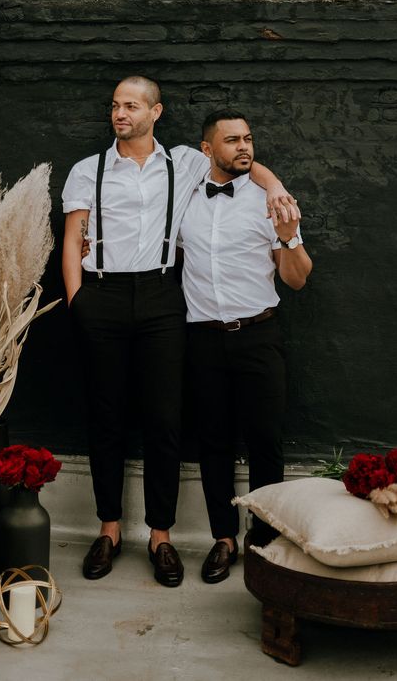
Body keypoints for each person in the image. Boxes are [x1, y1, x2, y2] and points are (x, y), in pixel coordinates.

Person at [62, 77, 298, 587]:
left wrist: (274, 185)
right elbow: (72, 236)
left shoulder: (187, 163)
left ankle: (160, 535)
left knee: (164, 419)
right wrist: (78, 300)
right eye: (114, 105)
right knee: (106, 416)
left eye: (130, 105)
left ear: (155, 111)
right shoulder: (88, 170)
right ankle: (108, 529)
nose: (119, 113)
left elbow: (239, 163)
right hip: (101, 294)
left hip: (162, 300)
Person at [179, 108, 313, 583]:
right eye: (232, 140)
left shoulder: (267, 201)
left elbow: (297, 279)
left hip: (258, 335)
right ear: (206, 150)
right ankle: (223, 538)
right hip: (202, 339)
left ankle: (264, 536)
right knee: (212, 442)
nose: (244, 148)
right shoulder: (185, 197)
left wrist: (287, 237)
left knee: (264, 441)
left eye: (248, 139)